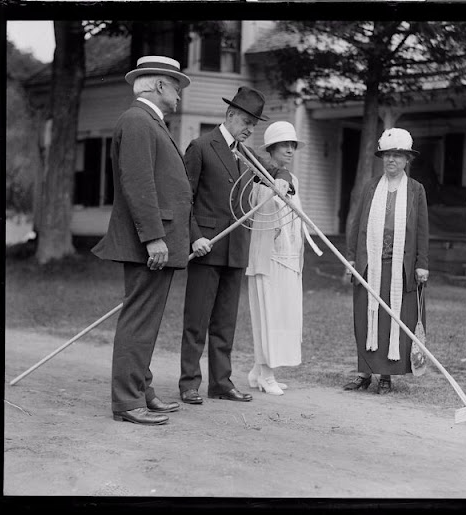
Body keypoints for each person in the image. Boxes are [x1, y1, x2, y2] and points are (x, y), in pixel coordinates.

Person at [91, 56, 201, 425]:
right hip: (149, 244)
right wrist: (154, 237)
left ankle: (141, 390)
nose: (180, 94)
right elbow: (138, 184)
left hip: (157, 241)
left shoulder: (148, 121)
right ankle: (127, 401)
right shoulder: (138, 120)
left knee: (146, 322)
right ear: (159, 85)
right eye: (176, 86)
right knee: (139, 321)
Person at [179, 87, 293, 404]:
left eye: (253, 125)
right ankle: (189, 383)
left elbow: (275, 170)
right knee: (196, 321)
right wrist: (194, 236)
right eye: (245, 122)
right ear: (230, 115)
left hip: (236, 249)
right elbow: (184, 199)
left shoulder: (246, 153)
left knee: (225, 322)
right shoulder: (201, 147)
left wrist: (282, 177)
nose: (249, 129)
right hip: (206, 247)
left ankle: (220, 383)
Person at [343, 128, 429, 394]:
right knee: (366, 317)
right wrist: (351, 259)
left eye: (398, 155)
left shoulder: (415, 190)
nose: (391, 160)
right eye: (388, 155)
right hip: (371, 264)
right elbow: (357, 225)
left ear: (407, 159)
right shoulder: (371, 187)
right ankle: (364, 373)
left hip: (399, 266)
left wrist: (422, 263)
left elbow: (422, 230)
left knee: (394, 319)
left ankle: (386, 376)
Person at [246, 121, 318, 395]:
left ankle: (258, 370)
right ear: (272, 148)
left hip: (289, 258)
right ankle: (266, 374)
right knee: (269, 317)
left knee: (285, 317)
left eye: (292, 145)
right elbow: (261, 214)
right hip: (269, 258)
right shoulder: (259, 178)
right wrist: (272, 189)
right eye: (284, 145)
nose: (289, 150)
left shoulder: (292, 180)